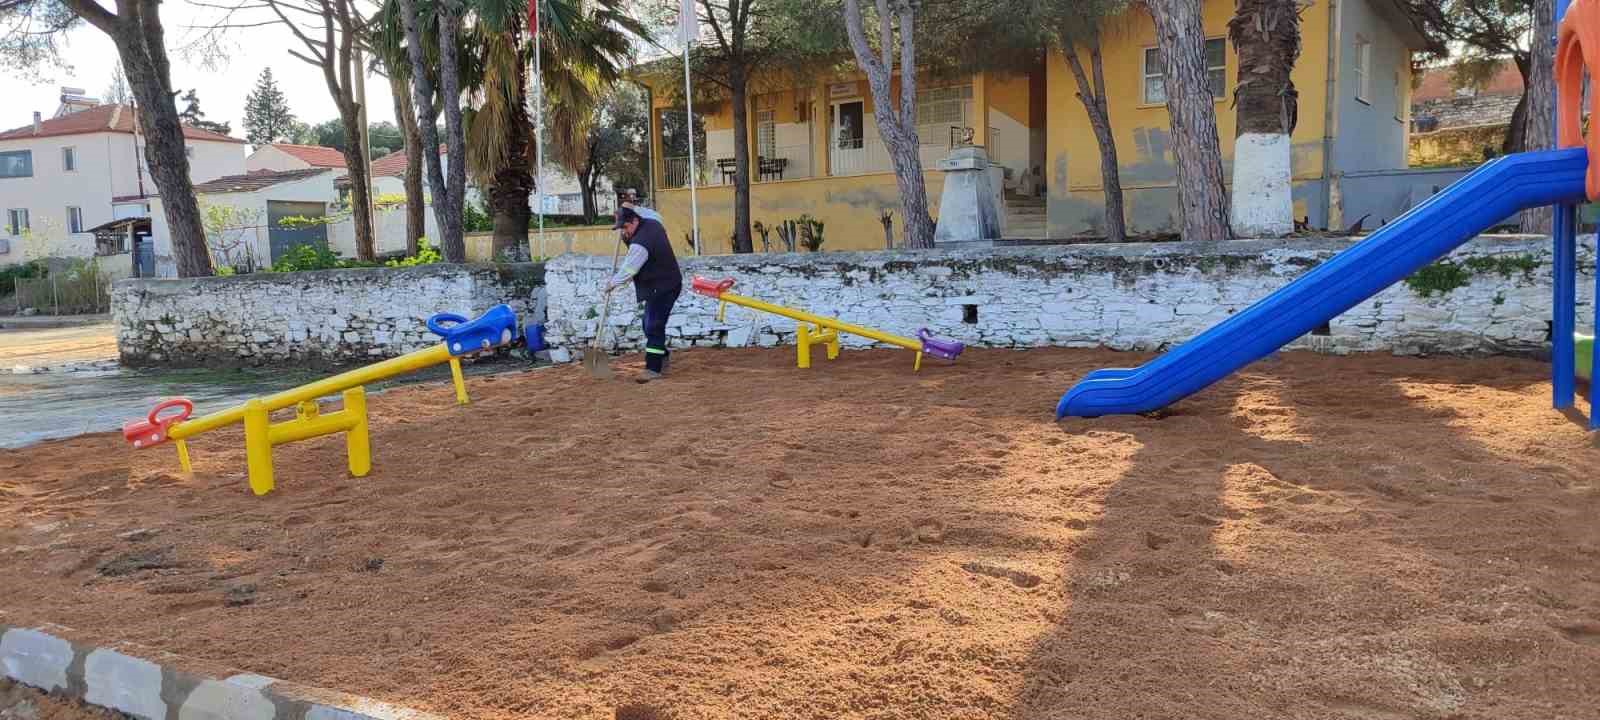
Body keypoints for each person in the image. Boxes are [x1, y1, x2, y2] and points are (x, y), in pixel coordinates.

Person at [604, 206, 681, 381]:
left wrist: (612, 283)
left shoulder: (640, 244)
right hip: (661, 283)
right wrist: (631, 207)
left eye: (625, 227)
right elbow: (652, 213)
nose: (624, 231)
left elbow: (629, 269)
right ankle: (662, 355)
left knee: (653, 325)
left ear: (635, 221)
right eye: (621, 228)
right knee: (648, 324)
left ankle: (653, 369)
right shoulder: (653, 221)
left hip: (664, 286)